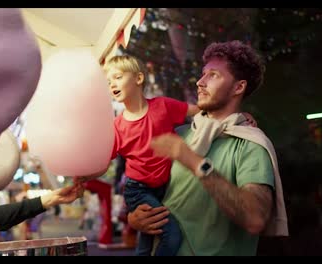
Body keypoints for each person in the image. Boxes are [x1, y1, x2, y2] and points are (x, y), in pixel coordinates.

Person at [128, 40, 288, 256]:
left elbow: (255, 218)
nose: (200, 82)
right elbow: (145, 190)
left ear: (238, 87)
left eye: (214, 75)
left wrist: (193, 161)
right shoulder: (178, 134)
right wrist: (136, 218)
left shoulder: (251, 145)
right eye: (203, 74)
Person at [75, 54, 201, 256]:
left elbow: (199, 112)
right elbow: (103, 164)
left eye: (117, 77)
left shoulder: (163, 106)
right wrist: (84, 176)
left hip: (164, 188)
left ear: (139, 78)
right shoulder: (117, 127)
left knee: (145, 241)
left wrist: (233, 117)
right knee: (172, 235)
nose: (111, 84)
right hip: (137, 190)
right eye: (108, 82)